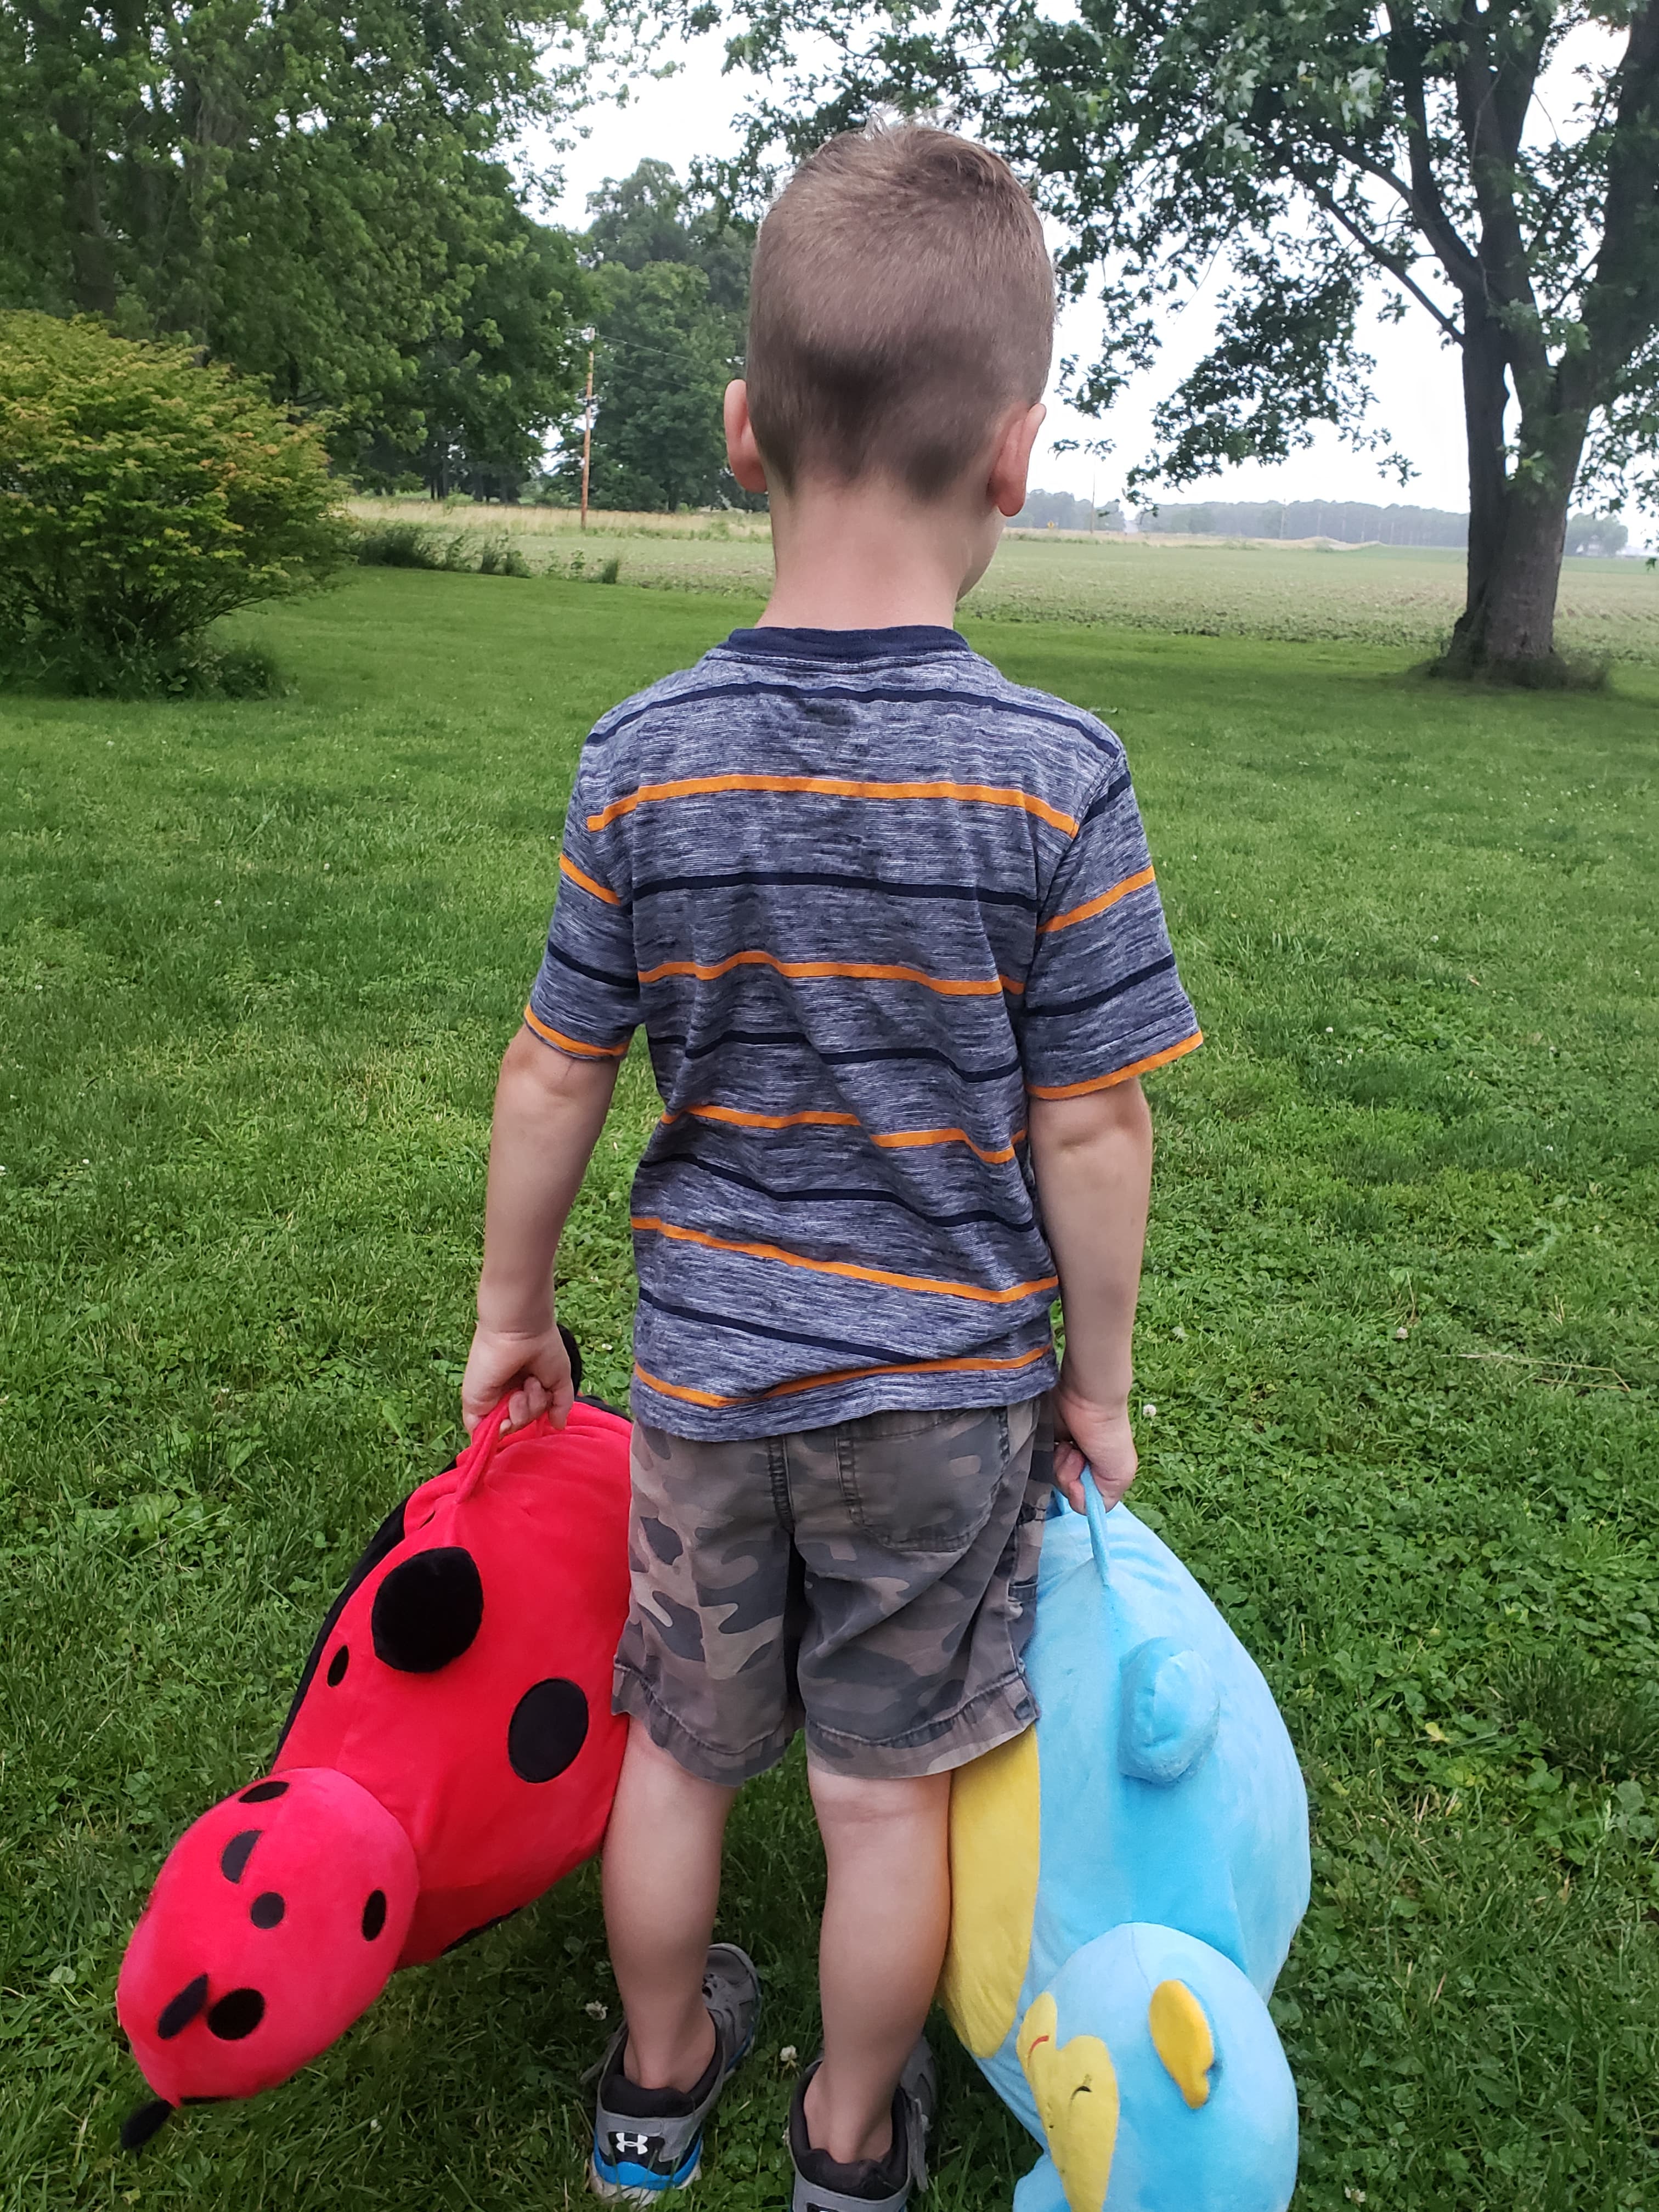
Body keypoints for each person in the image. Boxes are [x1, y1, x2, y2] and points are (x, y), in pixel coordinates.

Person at [461, 123, 1200, 2212]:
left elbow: (549, 1072)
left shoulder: (642, 757)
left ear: (736, 431)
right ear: (1018, 459)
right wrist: (1103, 1383)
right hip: (946, 1399)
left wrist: (515, 1318)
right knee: (887, 1803)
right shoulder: (1061, 780)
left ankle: (656, 2083)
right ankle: (847, 2146)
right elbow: (1098, 1117)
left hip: (703, 1383)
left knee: (681, 1753)